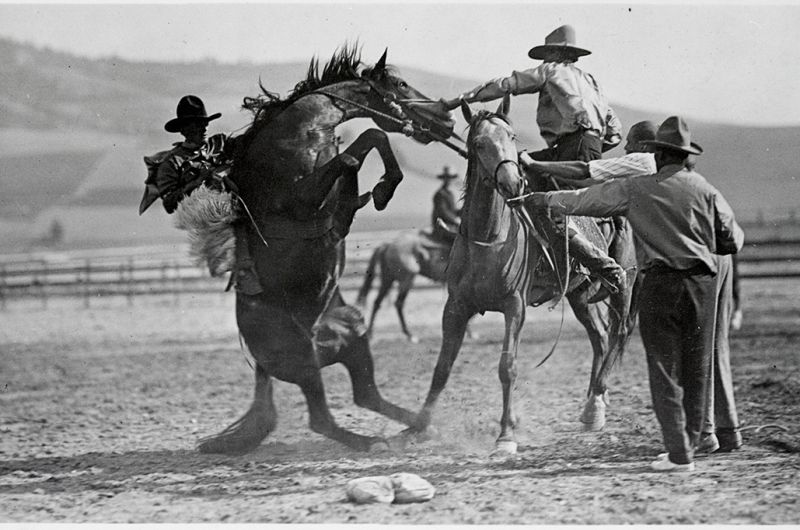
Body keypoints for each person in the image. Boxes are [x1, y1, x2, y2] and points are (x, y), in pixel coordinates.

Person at [515, 116, 744, 472]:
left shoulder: (637, 188)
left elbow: (584, 199)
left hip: (660, 283)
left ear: (657, 153)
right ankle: (699, 440)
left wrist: (543, 198)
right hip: (702, 283)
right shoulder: (705, 188)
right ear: (685, 156)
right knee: (697, 366)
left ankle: (679, 454)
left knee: (664, 369)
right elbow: (733, 238)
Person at [439, 24, 624, 293]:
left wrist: (458, 101)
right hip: (583, 146)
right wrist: (590, 152)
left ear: (555, 54)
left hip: (571, 147)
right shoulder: (591, 82)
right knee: (516, 169)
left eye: (548, 54)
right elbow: (615, 132)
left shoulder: (551, 71)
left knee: (553, 208)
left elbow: (507, 85)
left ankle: (602, 266)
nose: (545, 60)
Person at [143, 94, 262, 295]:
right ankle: (244, 270)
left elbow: (247, 145)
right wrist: (198, 182)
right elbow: (170, 203)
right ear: (183, 130)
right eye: (197, 125)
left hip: (235, 194)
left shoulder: (219, 144)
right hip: (204, 210)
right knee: (236, 213)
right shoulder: (171, 164)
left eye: (204, 123)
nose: (203, 128)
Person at [430, 166, 461, 244]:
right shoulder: (440, 194)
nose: (449, 180)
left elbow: (453, 211)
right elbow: (442, 211)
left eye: (451, 178)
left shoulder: (450, 194)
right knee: (460, 240)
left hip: (450, 225)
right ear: (443, 179)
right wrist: (455, 220)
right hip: (442, 227)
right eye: (447, 178)